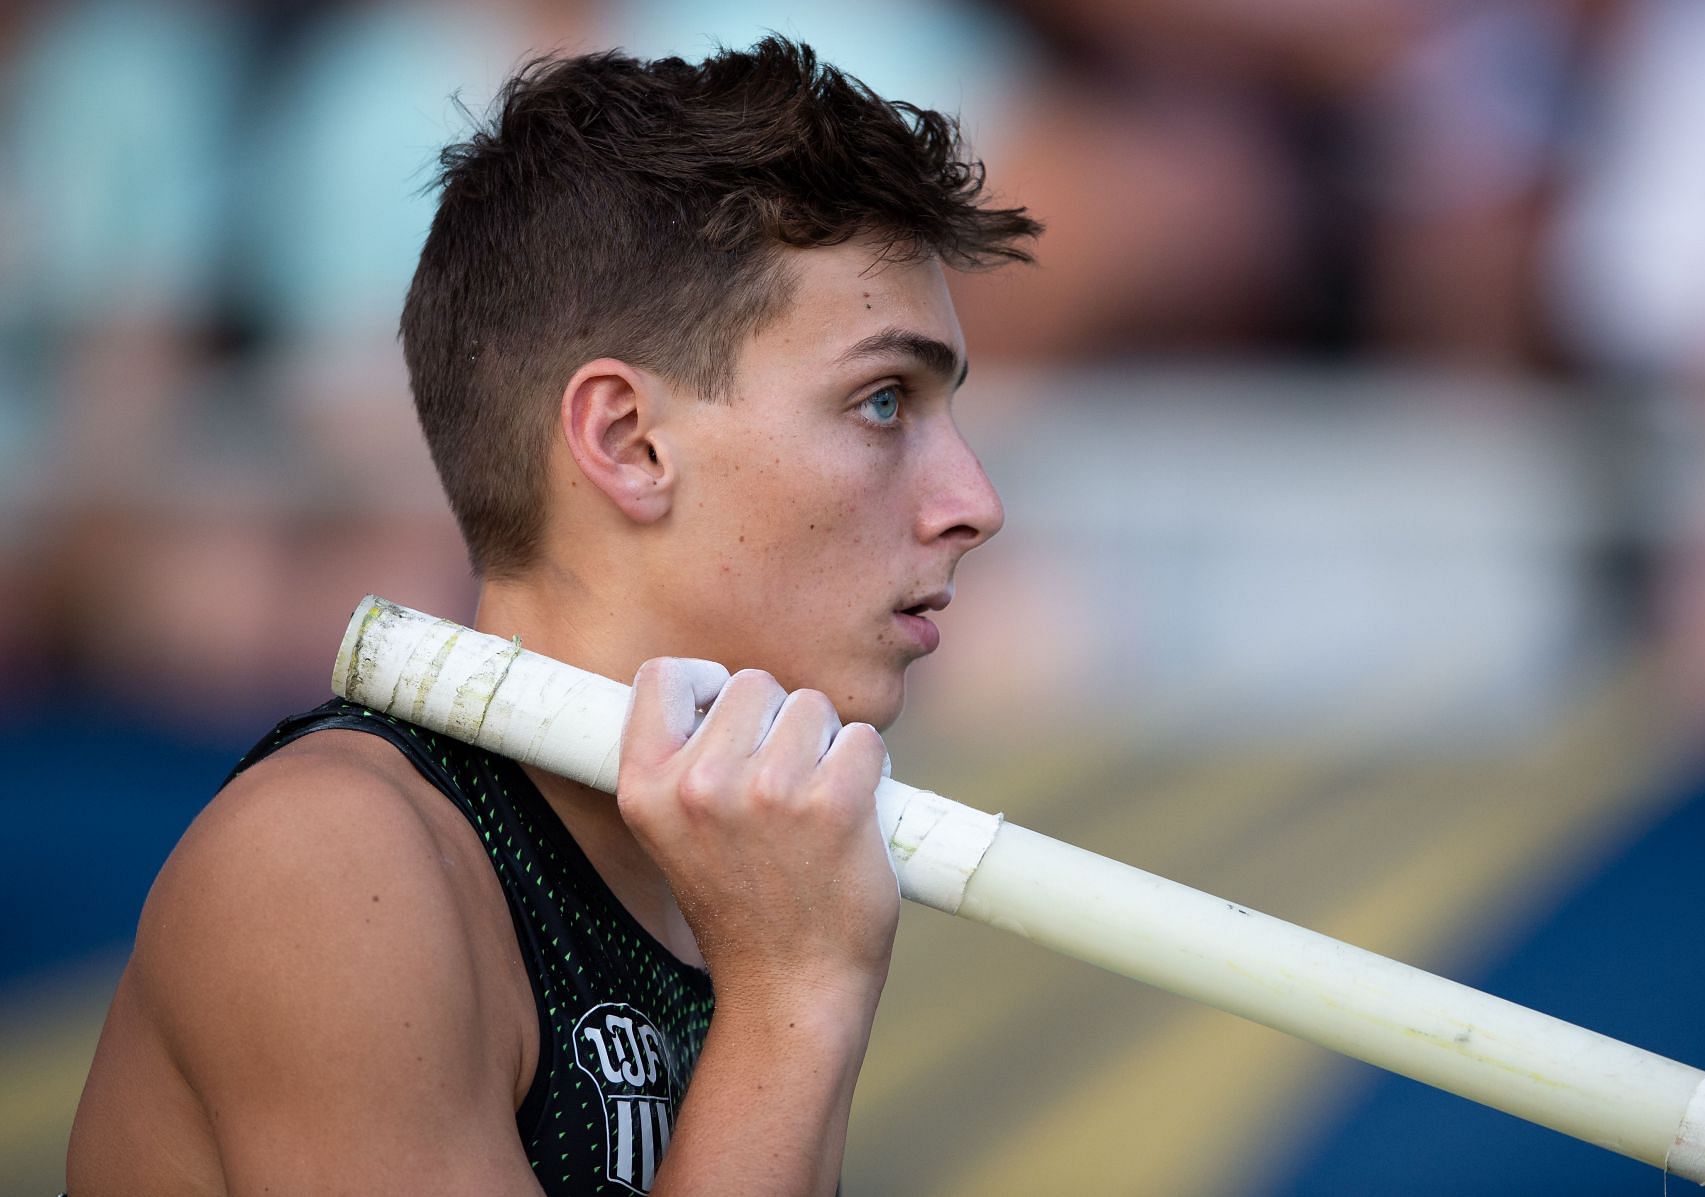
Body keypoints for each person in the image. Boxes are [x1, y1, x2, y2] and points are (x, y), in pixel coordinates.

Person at [66, 38, 1038, 1195]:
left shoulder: (723, 877)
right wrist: (796, 997)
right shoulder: (332, 866)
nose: (974, 504)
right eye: (883, 400)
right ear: (628, 442)